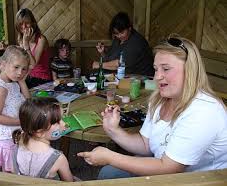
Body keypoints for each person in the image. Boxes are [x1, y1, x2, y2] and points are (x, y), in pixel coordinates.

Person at [78, 35, 227, 179]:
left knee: (110, 171)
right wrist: (113, 130)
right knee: (109, 173)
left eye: (166, 69)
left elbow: (169, 168)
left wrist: (110, 157)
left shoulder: (204, 110)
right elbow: (146, 144)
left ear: (190, 71)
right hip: (167, 172)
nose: (157, 76)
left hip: (200, 180)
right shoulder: (160, 99)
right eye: (156, 69)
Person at [0, 45, 31, 172]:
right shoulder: (1, 88)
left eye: (24, 69)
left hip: (15, 135)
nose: (20, 72)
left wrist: (22, 82)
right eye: (16, 67)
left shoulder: (13, 82)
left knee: (18, 171)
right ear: (4, 64)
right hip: (6, 140)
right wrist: (21, 121)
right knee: (12, 175)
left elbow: (28, 102)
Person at [12, 97, 74, 181]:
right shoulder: (59, 158)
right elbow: (70, 183)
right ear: (39, 132)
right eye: (57, 122)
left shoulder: (16, 148)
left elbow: (14, 174)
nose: (64, 124)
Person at [92, 12, 154, 76]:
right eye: (116, 33)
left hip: (140, 79)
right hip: (122, 75)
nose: (119, 36)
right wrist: (102, 52)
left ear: (129, 29)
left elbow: (119, 64)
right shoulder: (118, 40)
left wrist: (100, 65)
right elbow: (109, 61)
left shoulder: (136, 42)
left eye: (122, 33)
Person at [16, 8, 52, 88]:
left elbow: (34, 64)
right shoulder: (21, 39)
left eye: (27, 23)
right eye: (21, 24)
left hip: (41, 79)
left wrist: (26, 45)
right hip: (27, 77)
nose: (24, 26)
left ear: (33, 23)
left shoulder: (41, 39)